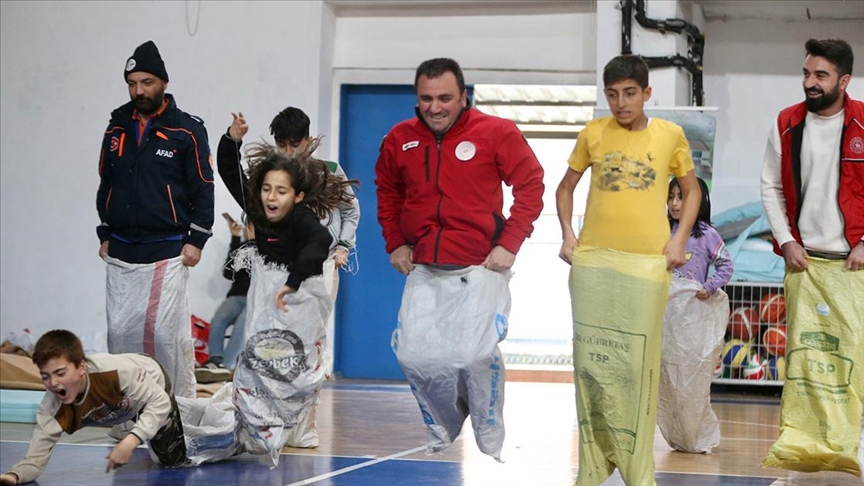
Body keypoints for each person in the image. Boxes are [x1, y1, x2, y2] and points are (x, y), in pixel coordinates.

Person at [375, 57, 545, 460]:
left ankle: (489, 430)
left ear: (463, 97)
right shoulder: (399, 138)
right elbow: (387, 192)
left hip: (481, 265)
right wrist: (396, 242)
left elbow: (531, 185)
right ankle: (448, 424)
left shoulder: (496, 133)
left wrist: (511, 243)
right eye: (426, 99)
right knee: (412, 355)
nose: (435, 107)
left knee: (471, 355)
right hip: (424, 266)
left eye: (445, 98)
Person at [555, 54, 700, 485]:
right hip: (594, 264)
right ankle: (594, 466)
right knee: (590, 364)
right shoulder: (593, 133)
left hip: (645, 267)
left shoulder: (670, 135)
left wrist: (678, 240)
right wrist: (567, 234)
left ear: (647, 93)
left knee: (636, 367)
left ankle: (638, 469)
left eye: (630, 94)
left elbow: (690, 192)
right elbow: (564, 188)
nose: (621, 103)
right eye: (613, 95)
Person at [218, 116, 357, 454]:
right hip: (268, 279)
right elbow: (229, 172)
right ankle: (257, 424)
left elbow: (328, 232)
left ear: (297, 195)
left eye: (281, 191)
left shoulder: (314, 195)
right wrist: (231, 139)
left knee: (304, 353)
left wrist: (338, 249)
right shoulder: (262, 196)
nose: (272, 197)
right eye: (267, 190)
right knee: (259, 351)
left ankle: (301, 427)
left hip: (310, 277)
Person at [760, 38, 864, 475]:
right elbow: (770, 186)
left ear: (844, 80)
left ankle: (844, 443)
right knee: (804, 359)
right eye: (806, 73)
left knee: (850, 359)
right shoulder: (787, 123)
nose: (810, 83)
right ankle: (801, 441)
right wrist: (785, 240)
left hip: (853, 264)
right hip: (802, 262)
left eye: (820, 75)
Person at [95, 40, 214, 400]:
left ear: (163, 82)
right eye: (132, 83)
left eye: (146, 82)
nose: (138, 90)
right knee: (120, 334)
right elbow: (106, 183)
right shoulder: (116, 127)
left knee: (165, 337)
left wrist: (197, 239)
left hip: (168, 249)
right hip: (122, 248)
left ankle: (176, 412)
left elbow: (204, 188)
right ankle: (129, 410)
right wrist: (104, 231)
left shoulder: (187, 130)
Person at [0, 330, 187, 485]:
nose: (54, 383)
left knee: (172, 460)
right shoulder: (52, 409)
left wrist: (131, 441)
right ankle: (129, 426)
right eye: (45, 376)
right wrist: (14, 475)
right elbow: (34, 462)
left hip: (151, 384)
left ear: (81, 368)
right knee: (132, 427)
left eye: (60, 373)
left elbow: (160, 401)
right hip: (119, 408)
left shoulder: (116, 373)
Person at [269, 106, 361, 376]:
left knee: (313, 328)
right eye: (281, 145)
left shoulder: (329, 171)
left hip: (323, 264)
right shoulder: (269, 173)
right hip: (280, 262)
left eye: (294, 144)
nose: (288, 152)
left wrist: (344, 245)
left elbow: (350, 210)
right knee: (279, 330)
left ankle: (309, 401)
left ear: (308, 141)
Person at [657, 176, 733, 454]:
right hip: (664, 318)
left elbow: (726, 264)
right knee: (666, 379)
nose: (675, 203)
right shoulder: (661, 229)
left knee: (691, 378)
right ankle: (676, 433)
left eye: (682, 197)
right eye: (671, 196)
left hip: (691, 319)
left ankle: (696, 434)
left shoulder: (706, 235)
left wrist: (709, 286)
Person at [195, 215, 255, 384]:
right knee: (218, 320)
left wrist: (253, 242)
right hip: (237, 295)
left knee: (242, 325)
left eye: (250, 227)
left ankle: (226, 366)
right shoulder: (242, 247)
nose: (245, 230)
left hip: (256, 298)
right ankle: (214, 360)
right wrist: (235, 239)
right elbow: (229, 273)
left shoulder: (268, 248)